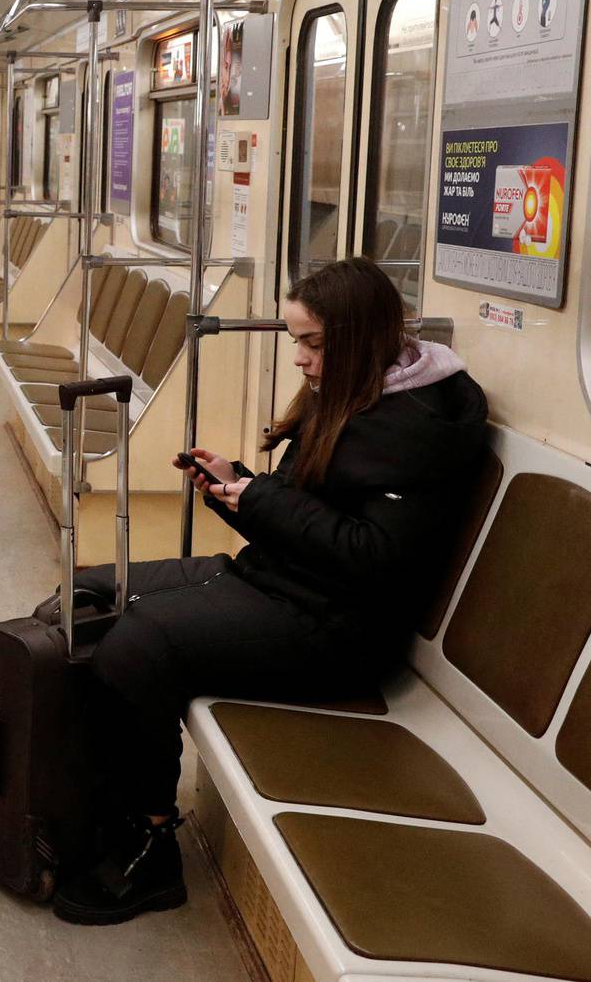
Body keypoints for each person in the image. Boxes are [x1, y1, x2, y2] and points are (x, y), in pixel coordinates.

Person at [46, 257, 488, 927]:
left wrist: (260, 499)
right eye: (297, 343)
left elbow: (375, 557)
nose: (303, 362)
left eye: (314, 343)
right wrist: (240, 488)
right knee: (84, 595)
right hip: (282, 582)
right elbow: (309, 514)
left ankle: (151, 841)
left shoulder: (416, 426)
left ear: (362, 336)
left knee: (140, 641)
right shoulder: (356, 393)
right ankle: (94, 806)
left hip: (338, 628)